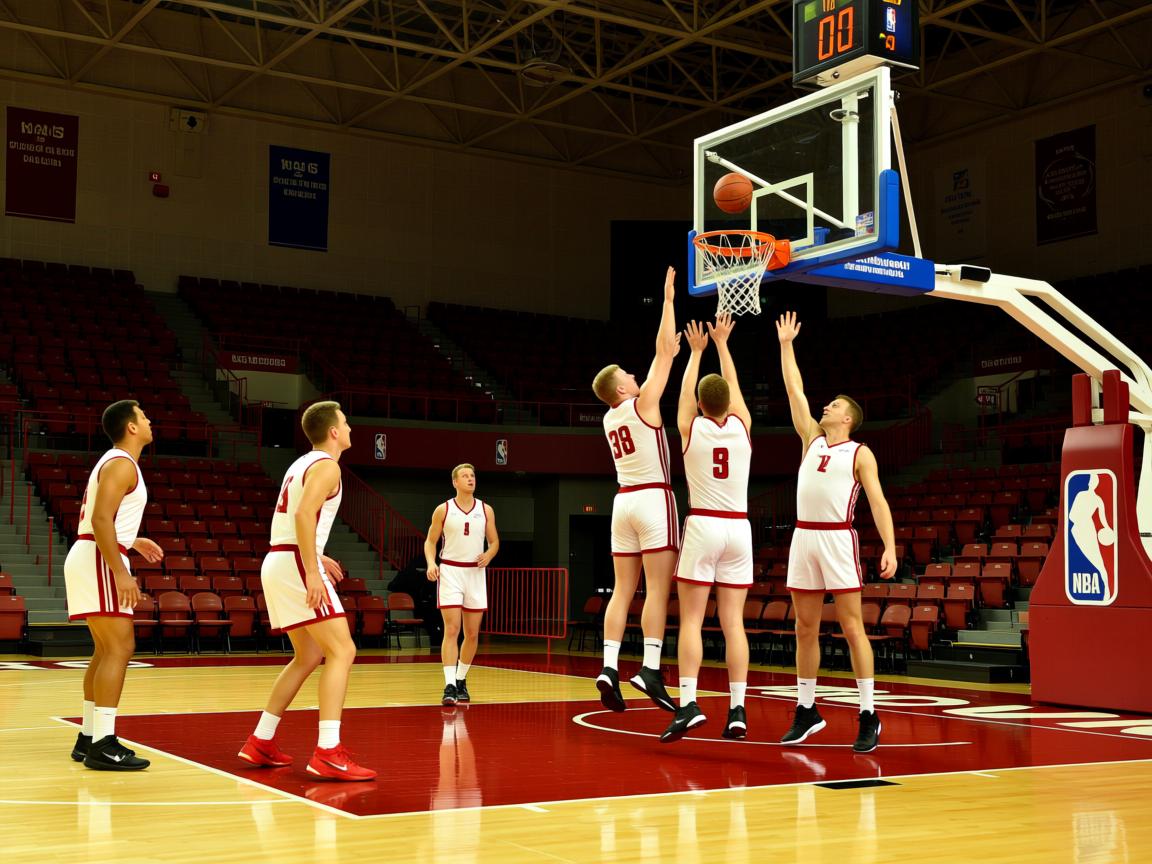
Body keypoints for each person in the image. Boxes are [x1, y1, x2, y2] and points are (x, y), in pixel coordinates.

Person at [776, 311, 896, 753]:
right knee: (804, 628)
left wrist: (890, 546)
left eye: (836, 406)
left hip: (837, 537)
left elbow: (879, 501)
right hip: (803, 537)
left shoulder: (860, 452)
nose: (827, 407)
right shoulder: (810, 438)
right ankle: (807, 710)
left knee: (851, 628)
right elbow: (794, 389)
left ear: (849, 419)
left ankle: (869, 714)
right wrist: (787, 344)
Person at [238, 401, 376, 781]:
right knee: (343, 649)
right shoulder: (328, 466)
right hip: (295, 564)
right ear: (333, 431)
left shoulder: (300, 463)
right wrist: (312, 568)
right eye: (345, 423)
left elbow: (296, 516)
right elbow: (302, 514)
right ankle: (328, 751)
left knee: (309, 654)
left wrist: (316, 553)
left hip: (281, 559)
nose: (349, 428)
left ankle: (261, 740)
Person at [590, 266, 681, 713]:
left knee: (621, 590)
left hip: (622, 502)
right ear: (623, 387)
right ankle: (649, 668)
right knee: (657, 592)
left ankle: (608, 666)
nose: (634, 374)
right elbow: (665, 351)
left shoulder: (610, 418)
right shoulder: (642, 405)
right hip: (653, 498)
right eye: (628, 373)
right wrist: (667, 301)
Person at [661, 314, 754, 743]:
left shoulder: (691, 426)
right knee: (734, 623)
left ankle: (689, 704)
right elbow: (731, 391)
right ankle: (737, 711)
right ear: (729, 404)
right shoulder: (742, 426)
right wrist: (722, 345)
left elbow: (683, 397)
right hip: (740, 529)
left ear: (701, 405)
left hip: (703, 525)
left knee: (693, 621)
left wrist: (695, 353)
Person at [64, 400, 164, 770]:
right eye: (144, 416)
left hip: (91, 553)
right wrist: (121, 571)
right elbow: (101, 517)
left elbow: (105, 519)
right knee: (121, 647)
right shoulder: (122, 462)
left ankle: (89, 736)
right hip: (98, 558)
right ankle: (104, 742)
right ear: (131, 427)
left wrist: (131, 541)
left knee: (106, 650)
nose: (150, 420)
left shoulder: (116, 461)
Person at [425, 464, 500, 706]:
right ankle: (448, 685)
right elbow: (430, 541)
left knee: (472, 633)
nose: (470, 479)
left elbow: (495, 541)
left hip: (475, 574)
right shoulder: (443, 509)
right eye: (465, 476)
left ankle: (460, 679)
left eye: (473, 475)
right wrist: (430, 563)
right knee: (452, 629)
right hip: (450, 571)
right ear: (455, 482)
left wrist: (489, 554)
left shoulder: (486, 509)